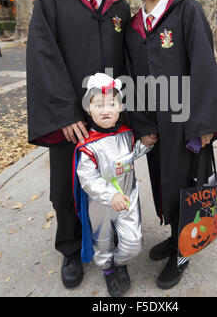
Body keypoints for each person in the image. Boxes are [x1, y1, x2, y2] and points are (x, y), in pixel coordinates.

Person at [125, 0, 217, 290]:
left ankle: (184, 250)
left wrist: (205, 126)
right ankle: (175, 235)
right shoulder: (133, 27)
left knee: (188, 187)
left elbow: (204, 65)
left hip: (187, 124)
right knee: (164, 182)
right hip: (156, 128)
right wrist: (142, 126)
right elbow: (131, 78)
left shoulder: (185, 11)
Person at [26, 0, 131, 289]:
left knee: (113, 184)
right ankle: (70, 248)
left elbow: (129, 61)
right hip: (71, 120)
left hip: (110, 118)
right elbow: (43, 56)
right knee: (66, 188)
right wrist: (65, 112)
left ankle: (114, 246)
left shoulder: (118, 6)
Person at [73, 73, 152, 296]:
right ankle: (108, 269)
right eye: (98, 105)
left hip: (128, 198)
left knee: (133, 244)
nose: (105, 110)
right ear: (88, 109)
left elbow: (130, 155)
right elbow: (88, 179)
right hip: (101, 206)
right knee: (103, 242)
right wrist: (110, 196)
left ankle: (118, 262)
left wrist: (146, 144)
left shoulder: (126, 135)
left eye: (111, 104)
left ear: (120, 107)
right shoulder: (88, 146)